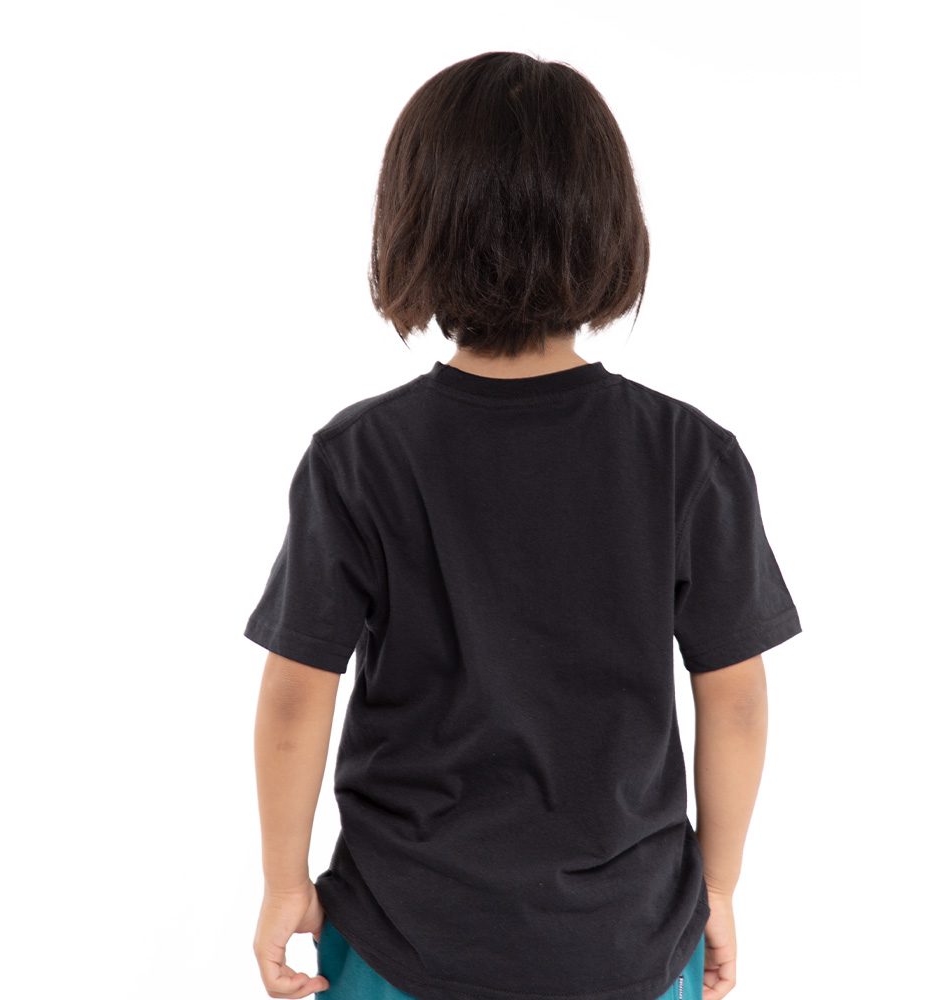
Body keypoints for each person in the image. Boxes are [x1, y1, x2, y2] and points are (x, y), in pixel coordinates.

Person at [246, 51, 802, 1000]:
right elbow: (736, 698)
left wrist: (283, 884)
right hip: (630, 942)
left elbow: (299, 692)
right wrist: (717, 888)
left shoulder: (359, 456)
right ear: (609, 228)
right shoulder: (689, 455)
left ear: (415, 227)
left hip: (403, 939)